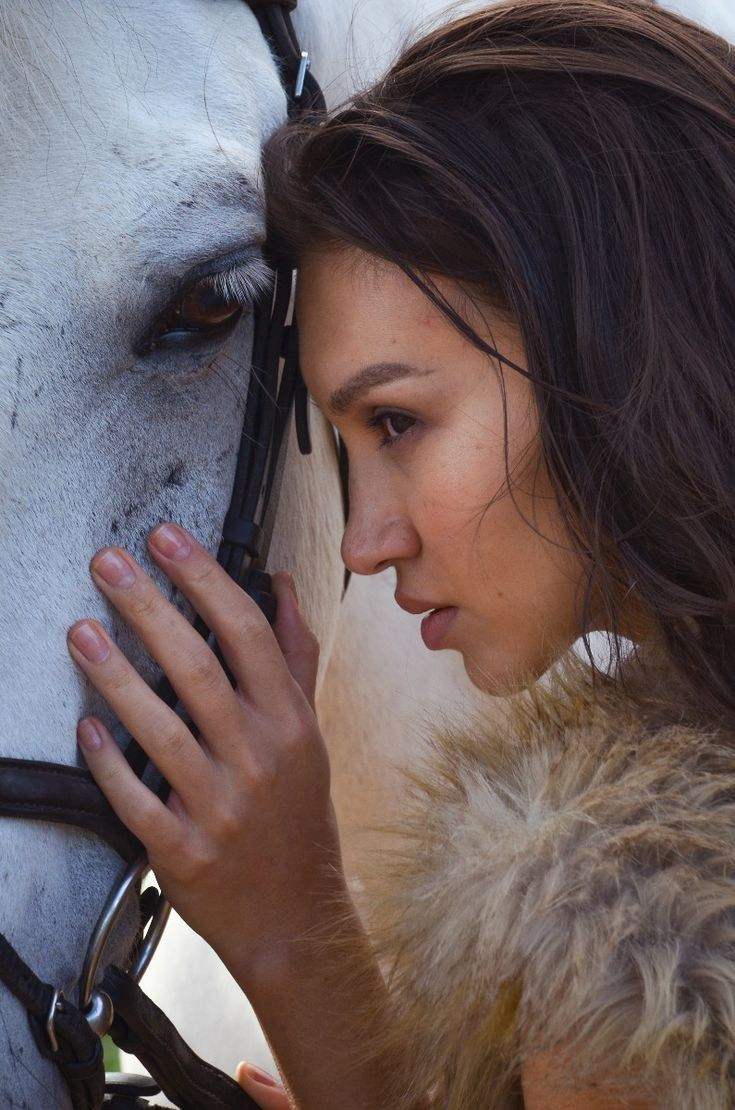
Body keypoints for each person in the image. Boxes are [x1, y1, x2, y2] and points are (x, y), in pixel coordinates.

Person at [65, 1, 735, 1106]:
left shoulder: (639, 946)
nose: (367, 544)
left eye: (397, 425)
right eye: (340, 447)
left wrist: (293, 930)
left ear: (614, 347)